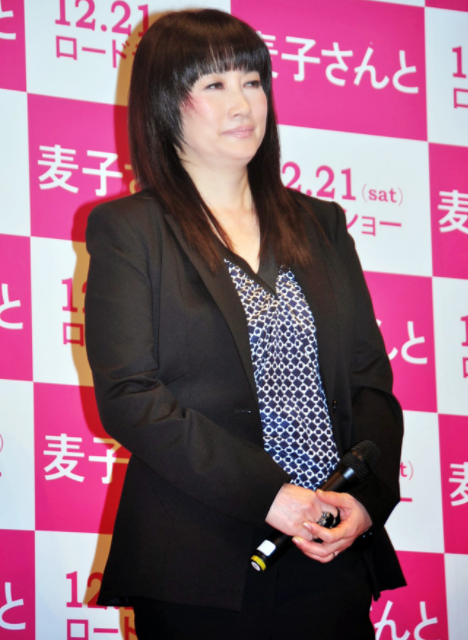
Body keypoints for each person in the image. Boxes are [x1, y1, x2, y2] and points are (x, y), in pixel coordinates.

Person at [85, 8, 405, 639]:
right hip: (198, 559)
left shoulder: (321, 224)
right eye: (215, 84)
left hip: (329, 547)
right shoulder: (131, 229)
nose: (243, 103)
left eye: (253, 82)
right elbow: (129, 395)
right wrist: (271, 495)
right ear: (165, 102)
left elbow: (370, 379)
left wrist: (365, 499)